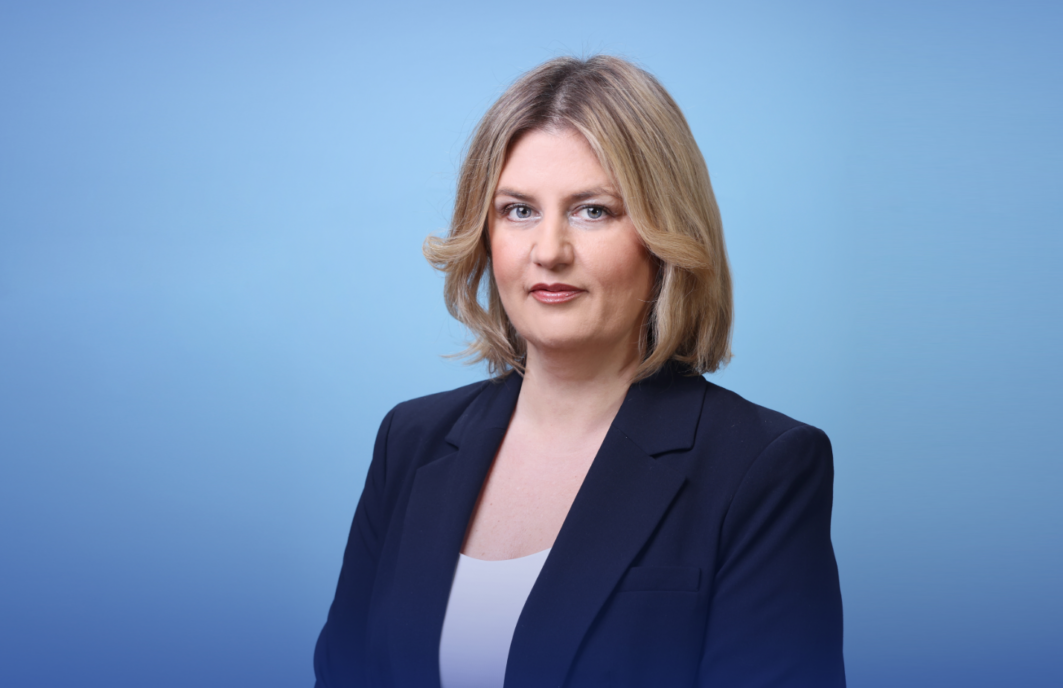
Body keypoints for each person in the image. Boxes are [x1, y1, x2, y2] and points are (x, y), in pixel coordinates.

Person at [313, 55, 845, 688]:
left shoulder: (764, 468)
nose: (549, 251)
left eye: (593, 210)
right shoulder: (410, 441)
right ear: (484, 234)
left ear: (663, 234)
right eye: (518, 210)